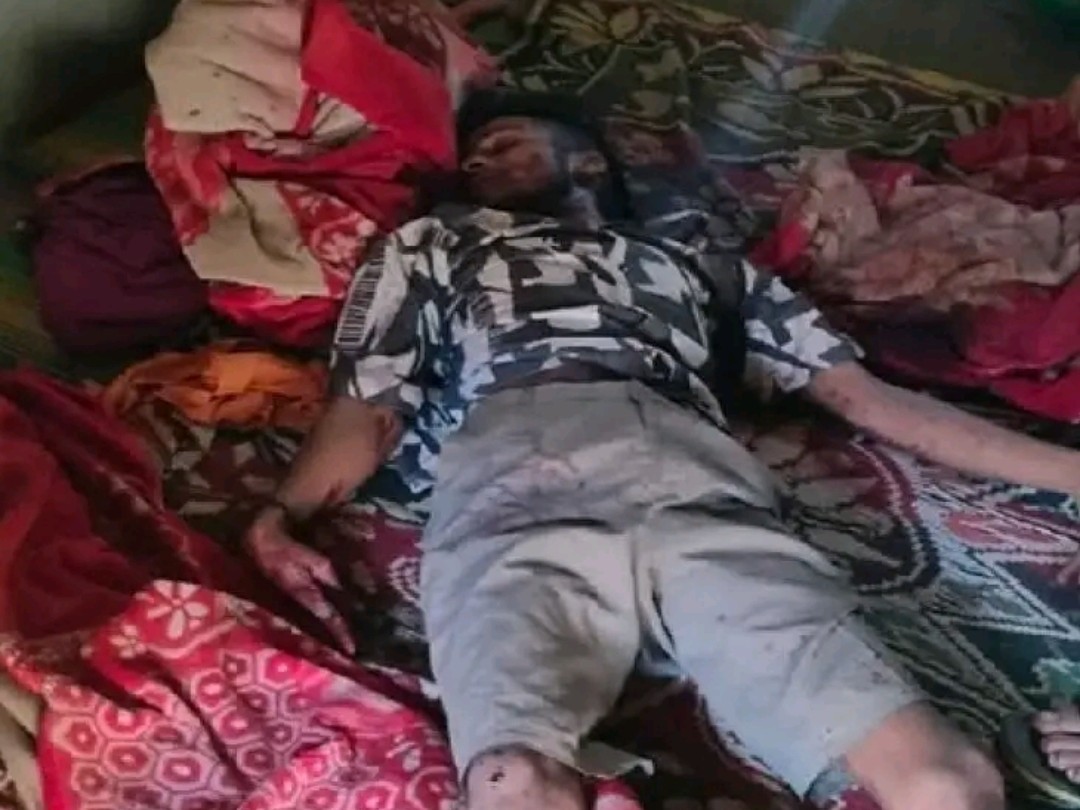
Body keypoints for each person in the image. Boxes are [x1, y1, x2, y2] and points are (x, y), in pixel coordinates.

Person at [245, 88, 1080, 810]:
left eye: (507, 140)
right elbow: (369, 404)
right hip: (513, 473)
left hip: (694, 480)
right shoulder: (433, 243)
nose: (479, 162)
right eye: (473, 155)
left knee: (946, 779)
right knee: (512, 776)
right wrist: (281, 514)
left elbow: (872, 403)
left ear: (589, 161)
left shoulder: (704, 267)